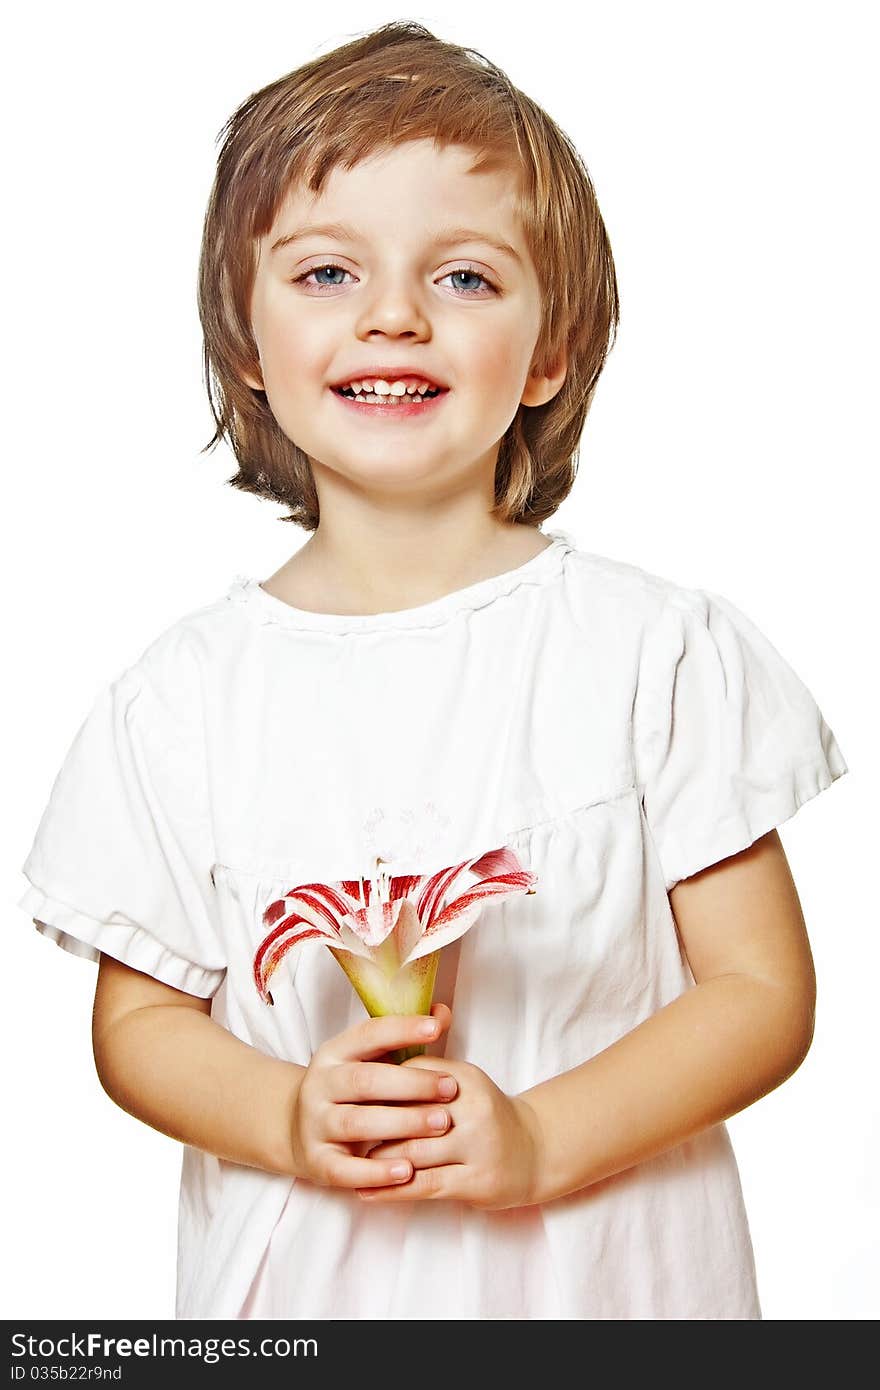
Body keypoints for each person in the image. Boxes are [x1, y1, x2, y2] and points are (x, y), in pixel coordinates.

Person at [17, 20, 849, 1321]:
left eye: (463, 278)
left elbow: (761, 990)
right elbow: (138, 1030)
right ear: (247, 340)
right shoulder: (178, 702)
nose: (393, 314)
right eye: (328, 271)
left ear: (553, 347)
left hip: (607, 1294)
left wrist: (544, 1138)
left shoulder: (654, 650)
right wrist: (287, 1110)